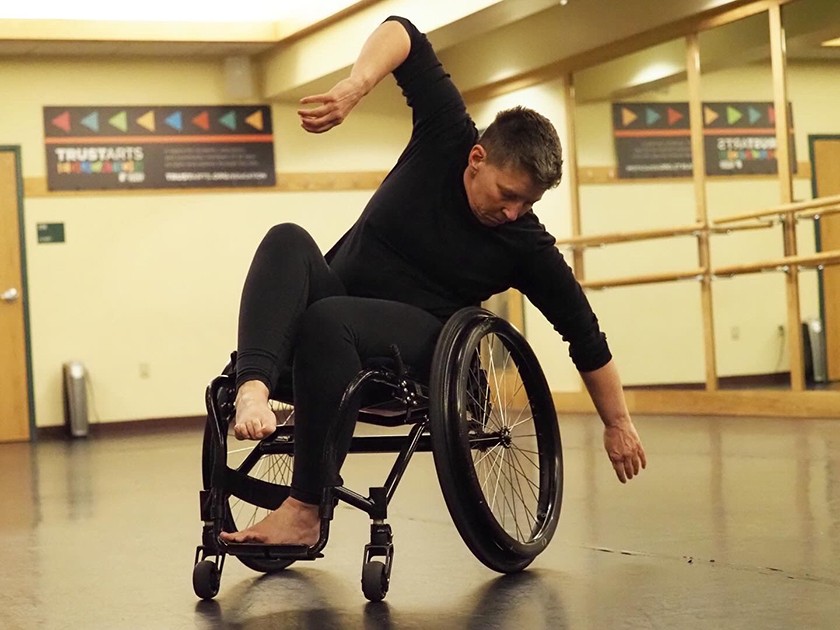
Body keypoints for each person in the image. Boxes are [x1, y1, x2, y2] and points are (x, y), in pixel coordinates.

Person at [220, 16, 646, 547]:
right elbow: (404, 33)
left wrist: (617, 422)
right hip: (331, 328)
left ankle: (305, 511)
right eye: (508, 194)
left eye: (529, 203)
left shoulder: (525, 244)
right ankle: (254, 391)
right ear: (476, 159)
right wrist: (355, 87)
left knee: (330, 320)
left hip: (421, 355)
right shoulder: (446, 135)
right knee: (286, 239)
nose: (515, 212)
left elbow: (585, 334)